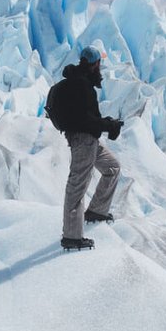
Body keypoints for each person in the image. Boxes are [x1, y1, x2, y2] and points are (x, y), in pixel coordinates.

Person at [52, 46, 122, 251]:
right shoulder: (81, 86)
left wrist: (107, 123)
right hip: (83, 141)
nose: (100, 67)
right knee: (77, 186)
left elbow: (87, 117)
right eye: (99, 63)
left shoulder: (79, 83)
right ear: (95, 64)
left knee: (113, 168)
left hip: (89, 140)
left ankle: (97, 211)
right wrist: (108, 126)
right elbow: (84, 120)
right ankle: (72, 237)